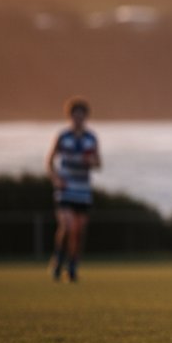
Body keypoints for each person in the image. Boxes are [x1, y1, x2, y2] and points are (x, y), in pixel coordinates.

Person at [47, 97, 101, 282]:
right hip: (66, 188)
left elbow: (98, 163)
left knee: (78, 231)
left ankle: (73, 266)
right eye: (75, 115)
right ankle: (58, 261)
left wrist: (91, 161)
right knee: (67, 226)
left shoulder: (91, 138)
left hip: (83, 189)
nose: (78, 118)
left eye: (81, 115)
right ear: (70, 116)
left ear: (86, 117)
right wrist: (56, 178)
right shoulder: (63, 136)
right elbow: (49, 161)